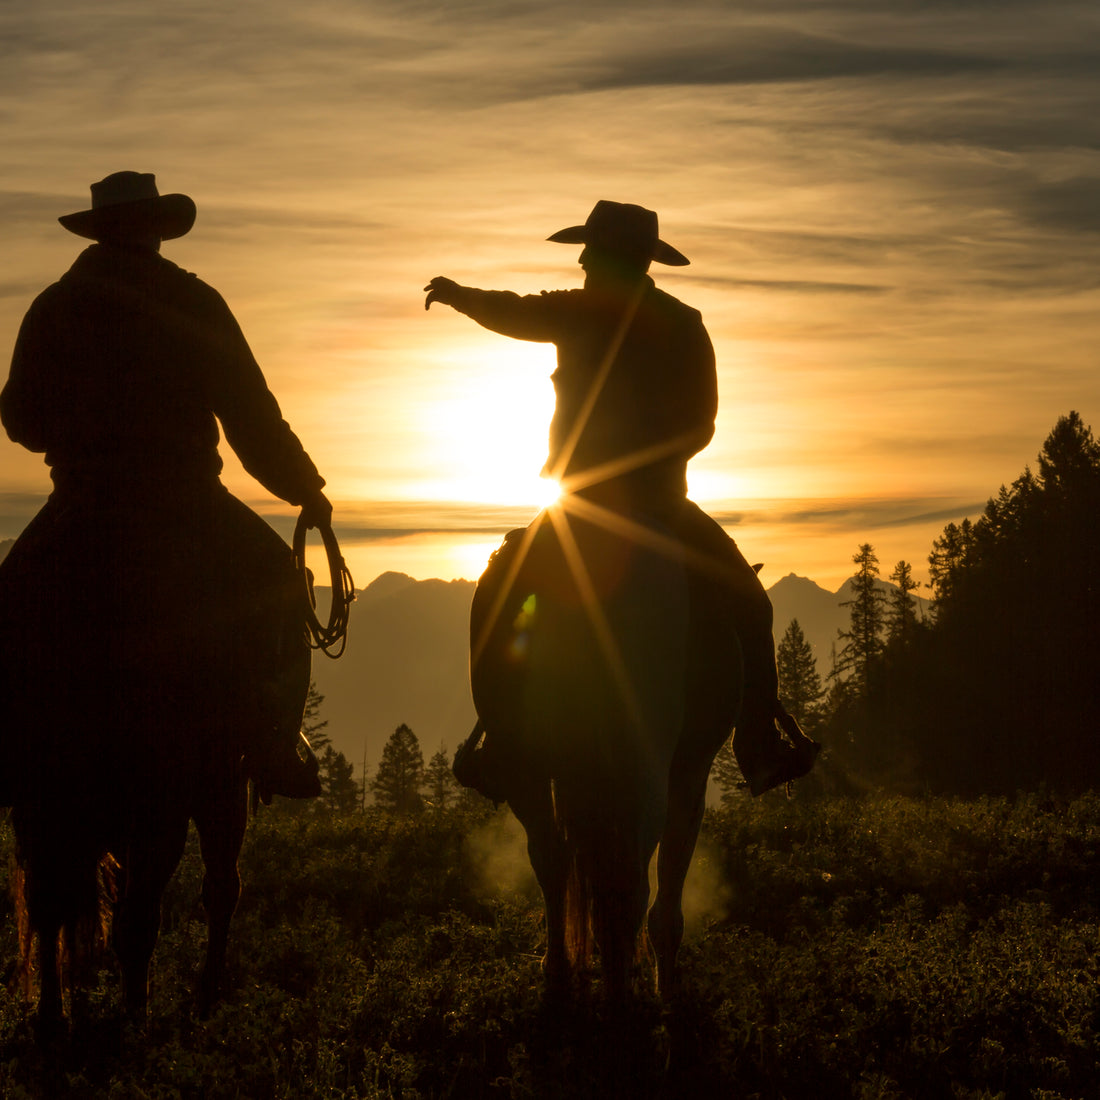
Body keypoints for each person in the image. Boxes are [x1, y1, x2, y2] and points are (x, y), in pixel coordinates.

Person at [425, 200, 818, 797]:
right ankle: (758, 746)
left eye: (589, 249)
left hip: (578, 506)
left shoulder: (579, 312)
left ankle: (504, 743)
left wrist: (459, 296)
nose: (580, 259)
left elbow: (514, 312)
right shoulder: (685, 324)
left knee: (502, 596)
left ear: (610, 257)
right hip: (664, 506)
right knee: (750, 607)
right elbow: (703, 423)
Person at [0, 171, 330, 803]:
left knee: (9, 602)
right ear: (155, 230)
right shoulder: (195, 301)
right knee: (282, 584)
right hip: (188, 504)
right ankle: (274, 745)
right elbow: (251, 416)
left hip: (82, 502)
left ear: (100, 231)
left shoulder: (54, 305)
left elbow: (22, 422)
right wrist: (304, 488)